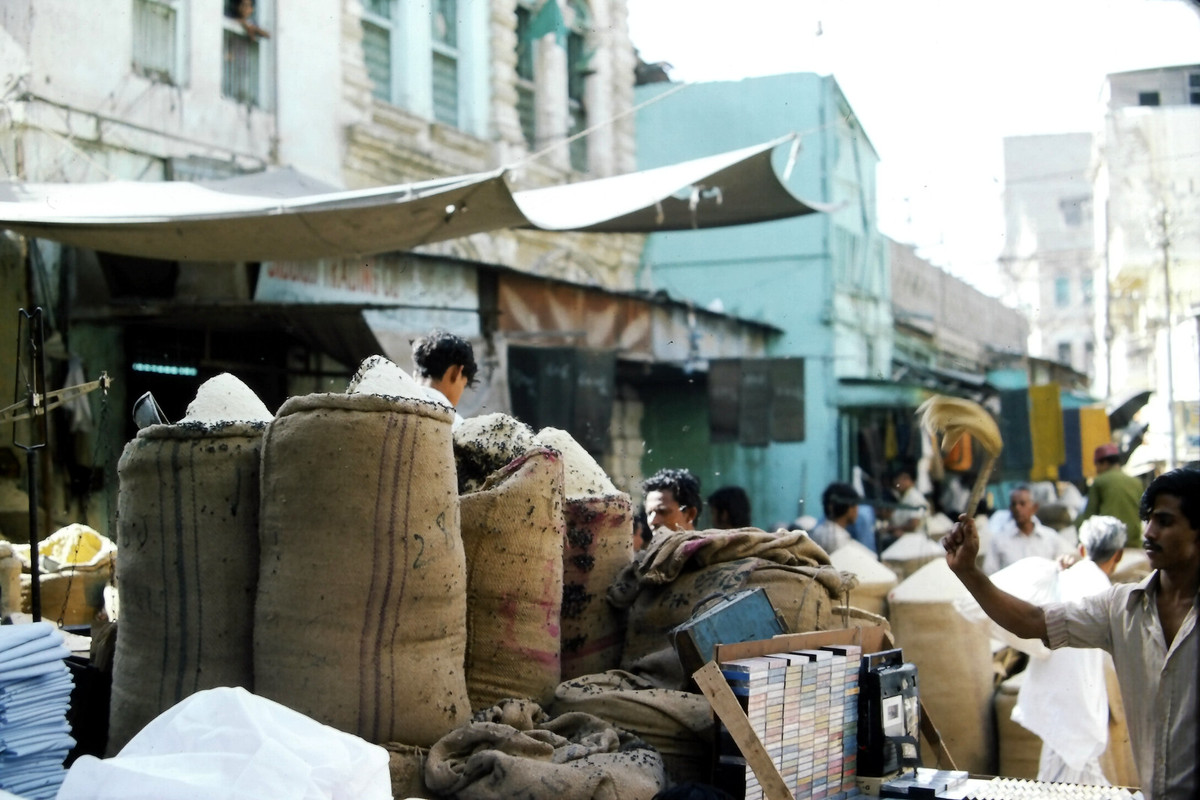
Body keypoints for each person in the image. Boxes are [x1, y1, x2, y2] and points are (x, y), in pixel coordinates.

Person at [941, 468, 1199, 800]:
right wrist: (969, 572)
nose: (1149, 532)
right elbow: (1033, 621)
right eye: (1148, 519)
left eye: (1164, 522)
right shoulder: (1120, 608)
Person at [1012, 515, 1127, 785]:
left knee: (1067, 780)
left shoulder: (1065, 575)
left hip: (1063, 704)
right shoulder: (1107, 593)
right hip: (1076, 709)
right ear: (1118, 555)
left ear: (1082, 549)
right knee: (1065, 782)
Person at [983, 485, 1068, 574]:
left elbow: (1065, 560)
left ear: (1034, 507)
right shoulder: (999, 540)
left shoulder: (1050, 537)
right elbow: (990, 572)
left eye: (1022, 504)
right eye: (1014, 504)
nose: (1017, 508)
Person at [1077, 443, 1145, 547]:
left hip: (1109, 543)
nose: (1097, 470)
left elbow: (1089, 515)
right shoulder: (1136, 482)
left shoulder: (1099, 481)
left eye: (1097, 465)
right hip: (1134, 542)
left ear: (1104, 463)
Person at [411, 330, 477, 429]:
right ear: (457, 372)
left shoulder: (390, 407)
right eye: (463, 385)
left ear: (415, 374)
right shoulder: (457, 427)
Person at [642, 468, 701, 532]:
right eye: (649, 513)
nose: (653, 521)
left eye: (662, 512)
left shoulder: (710, 541)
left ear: (690, 514)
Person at [809, 482, 859, 555]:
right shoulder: (840, 539)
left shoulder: (817, 531)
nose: (857, 510)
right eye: (855, 505)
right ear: (850, 508)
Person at [888, 467, 929, 537]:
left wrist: (892, 528)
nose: (898, 482)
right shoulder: (904, 496)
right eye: (898, 479)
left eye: (903, 479)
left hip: (914, 538)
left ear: (910, 481)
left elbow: (914, 524)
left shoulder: (915, 497)